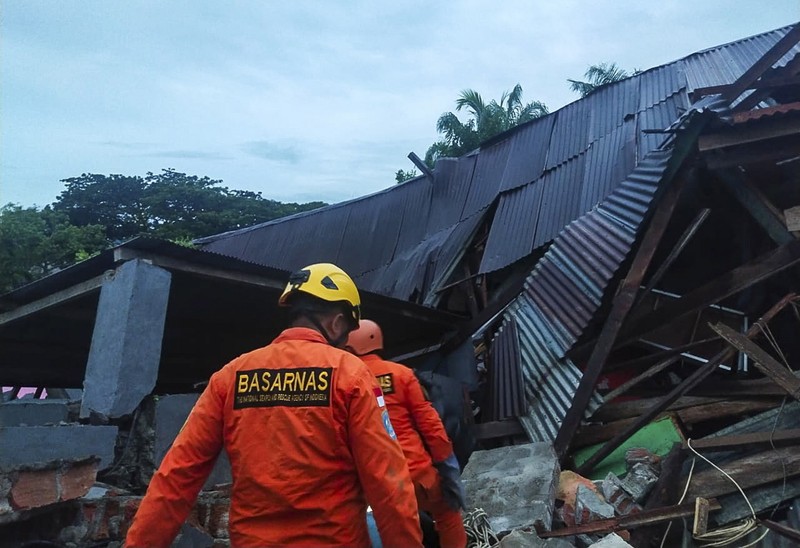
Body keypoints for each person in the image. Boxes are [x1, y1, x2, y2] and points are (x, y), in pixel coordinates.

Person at [126, 263, 422, 547]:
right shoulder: (351, 374)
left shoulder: (231, 376)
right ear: (336, 322)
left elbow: (176, 478)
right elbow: (389, 485)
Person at [346, 320, 468, 548]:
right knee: (448, 514)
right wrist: (449, 470)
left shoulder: (345, 380)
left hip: (377, 485)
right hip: (418, 475)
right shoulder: (401, 375)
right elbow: (431, 426)